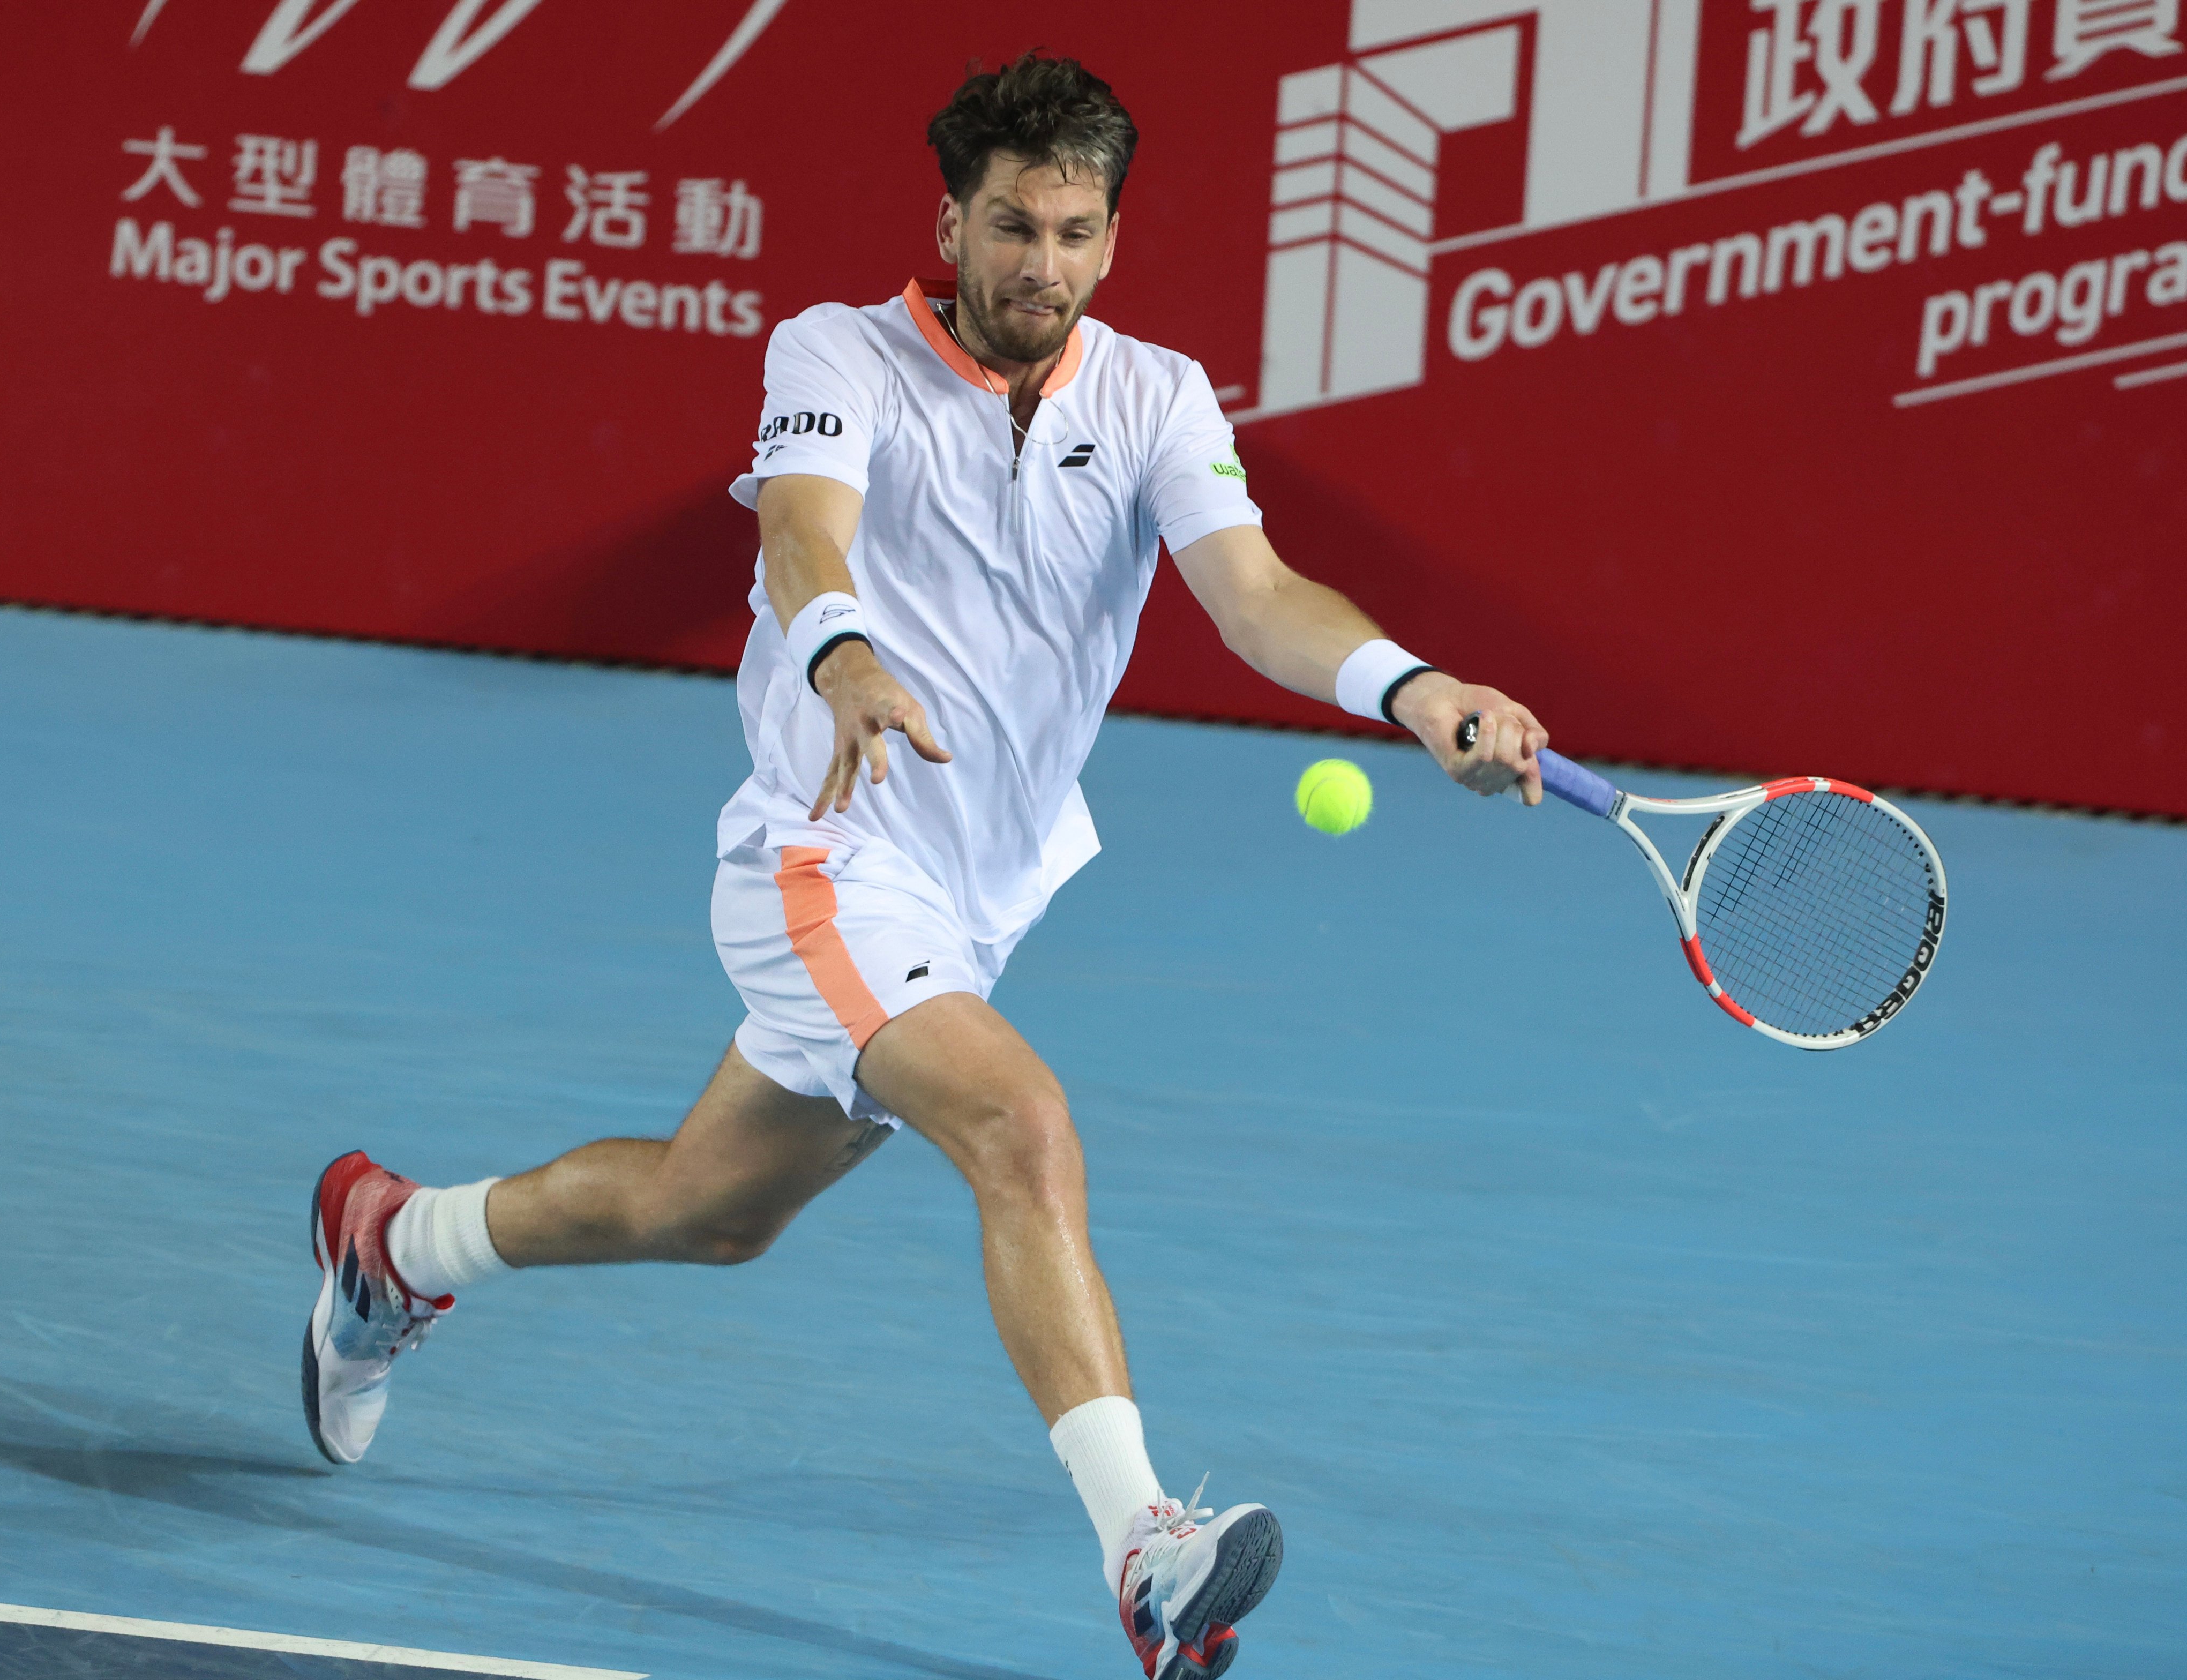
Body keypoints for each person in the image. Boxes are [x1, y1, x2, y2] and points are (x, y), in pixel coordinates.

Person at [299, 52, 1548, 1680]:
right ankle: (1150, 1552)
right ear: (951, 218)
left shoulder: (1157, 395)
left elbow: (1252, 591)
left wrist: (1415, 684)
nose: (1047, 266)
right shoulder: (839, 354)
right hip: (831, 853)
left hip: (978, 897)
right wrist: (840, 656)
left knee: (709, 1210)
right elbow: (802, 530)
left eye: (1080, 232)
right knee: (1022, 1126)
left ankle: (392, 1242)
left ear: (1114, 234)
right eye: (1017, 227)